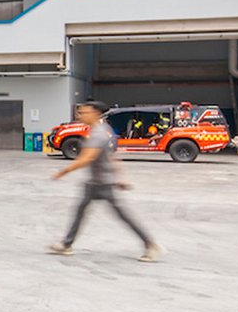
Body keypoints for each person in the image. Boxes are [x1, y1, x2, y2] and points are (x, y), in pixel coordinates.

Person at [48, 100, 162, 261]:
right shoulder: (104, 130)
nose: (79, 115)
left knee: (123, 215)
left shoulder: (98, 134)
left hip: (103, 184)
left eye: (83, 112)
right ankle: (66, 245)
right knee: (79, 212)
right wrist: (120, 177)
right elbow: (112, 156)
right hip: (94, 182)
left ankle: (150, 245)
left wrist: (63, 171)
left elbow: (86, 158)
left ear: (94, 113)